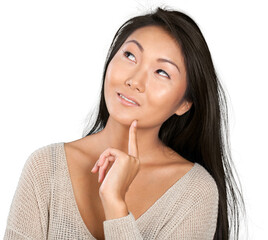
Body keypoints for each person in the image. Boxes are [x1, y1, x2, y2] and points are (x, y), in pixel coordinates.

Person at [4, 6, 246, 240]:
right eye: (130, 55)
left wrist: (115, 204)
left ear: (185, 103)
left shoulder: (194, 192)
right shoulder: (46, 168)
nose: (135, 81)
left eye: (162, 72)